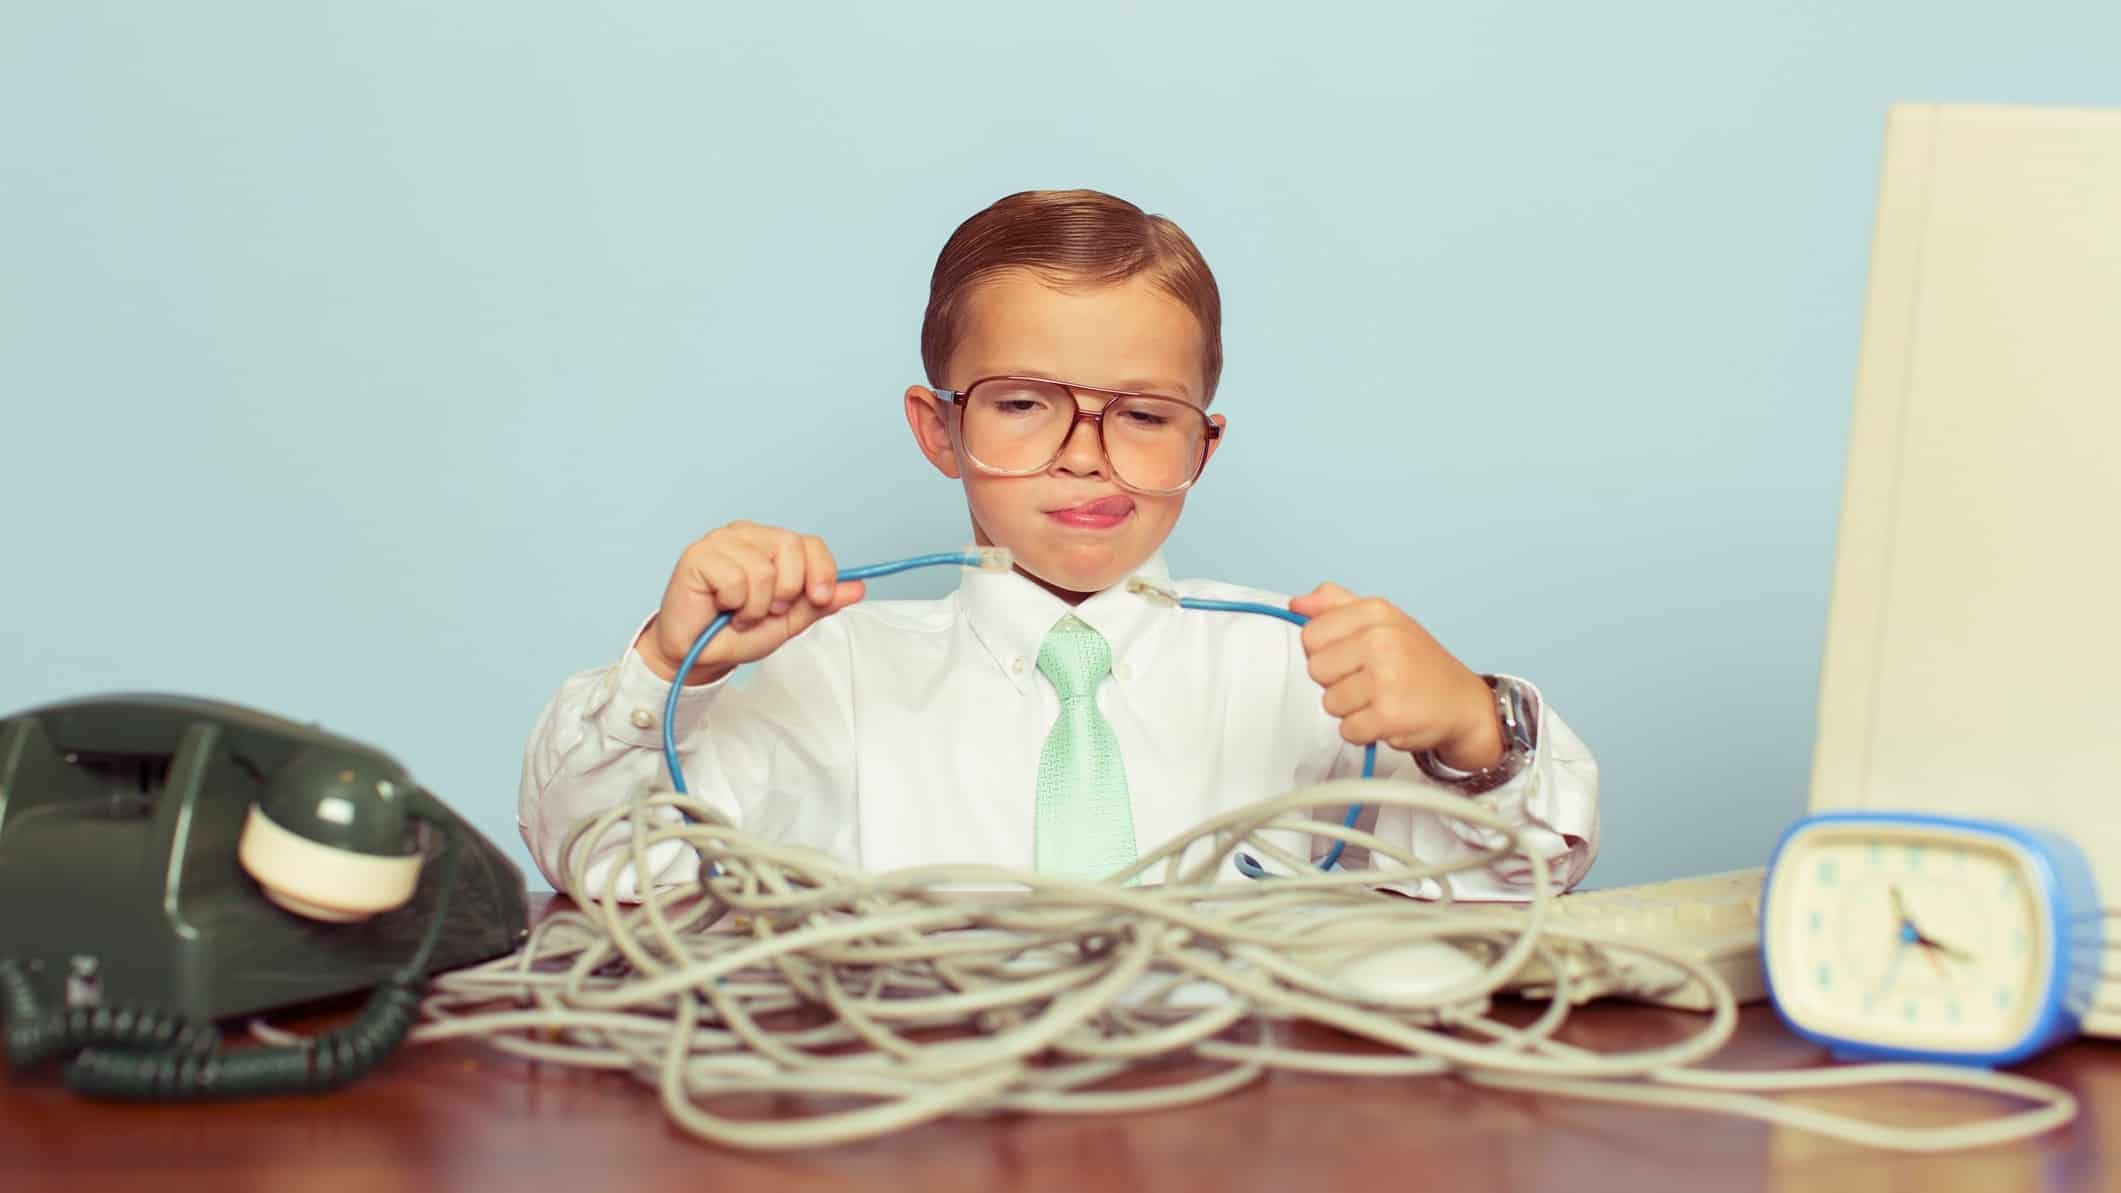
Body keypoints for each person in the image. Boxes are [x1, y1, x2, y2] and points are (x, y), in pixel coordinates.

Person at [518, 188, 1597, 900]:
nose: (1086, 456)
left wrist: (1474, 727)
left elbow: (1522, 876)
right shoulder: (825, 677)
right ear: (939, 428)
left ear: (1202, 444)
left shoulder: (1306, 679)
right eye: (1026, 402)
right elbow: (604, 858)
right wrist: (668, 669)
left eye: (1141, 414)